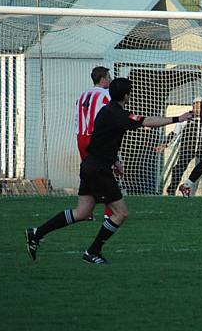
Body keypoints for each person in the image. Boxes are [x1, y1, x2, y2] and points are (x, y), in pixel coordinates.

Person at [26, 78, 193, 264]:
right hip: (99, 169)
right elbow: (147, 122)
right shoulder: (118, 114)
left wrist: (115, 161)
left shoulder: (105, 111)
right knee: (121, 213)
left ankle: (36, 233)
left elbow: (102, 140)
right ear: (127, 95)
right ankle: (93, 251)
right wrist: (178, 118)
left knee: (82, 212)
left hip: (90, 165)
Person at [75, 66, 113, 219]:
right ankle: (109, 212)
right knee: (106, 173)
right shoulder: (106, 95)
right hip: (95, 138)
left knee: (88, 174)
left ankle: (86, 211)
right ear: (103, 79)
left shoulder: (83, 95)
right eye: (108, 77)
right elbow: (109, 117)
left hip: (81, 136)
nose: (110, 80)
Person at [155, 97, 202, 195]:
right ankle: (171, 190)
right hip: (187, 149)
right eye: (195, 105)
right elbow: (175, 132)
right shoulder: (186, 118)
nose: (197, 108)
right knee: (179, 168)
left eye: (200, 106)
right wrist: (165, 144)